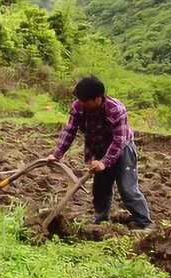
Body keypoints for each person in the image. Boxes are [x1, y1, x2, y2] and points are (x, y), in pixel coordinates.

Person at [47, 76, 152, 229]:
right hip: (99, 148)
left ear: (97, 99)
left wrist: (105, 162)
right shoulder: (78, 107)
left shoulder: (116, 109)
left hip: (123, 148)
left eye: (84, 101)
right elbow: (70, 130)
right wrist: (57, 154)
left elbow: (119, 141)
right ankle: (101, 220)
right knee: (100, 188)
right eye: (79, 100)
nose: (81, 104)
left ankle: (145, 223)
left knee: (127, 189)